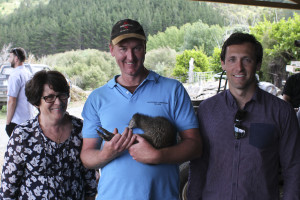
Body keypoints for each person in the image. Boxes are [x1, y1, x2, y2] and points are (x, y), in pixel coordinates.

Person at [80, 18, 202, 200]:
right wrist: (107, 153)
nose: (130, 57)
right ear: (111, 50)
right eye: (123, 49)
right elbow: (87, 156)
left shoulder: (173, 90)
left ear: (145, 47)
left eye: (136, 47)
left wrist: (158, 156)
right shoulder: (97, 98)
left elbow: (195, 146)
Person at [187, 32, 300, 200]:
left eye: (246, 59)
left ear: (258, 64)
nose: (238, 67)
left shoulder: (281, 112)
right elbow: (198, 165)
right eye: (232, 60)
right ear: (223, 63)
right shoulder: (207, 110)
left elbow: (294, 168)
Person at [0, 70, 98, 199]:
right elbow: (8, 188)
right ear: (37, 101)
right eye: (50, 97)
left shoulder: (81, 129)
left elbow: (90, 181)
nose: (58, 102)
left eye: (62, 95)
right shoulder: (23, 135)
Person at [5, 47, 34, 137]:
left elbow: (12, 100)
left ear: (16, 58)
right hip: (29, 119)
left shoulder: (15, 75)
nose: (9, 60)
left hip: (17, 121)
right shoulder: (28, 73)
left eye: (10, 57)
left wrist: (8, 122)